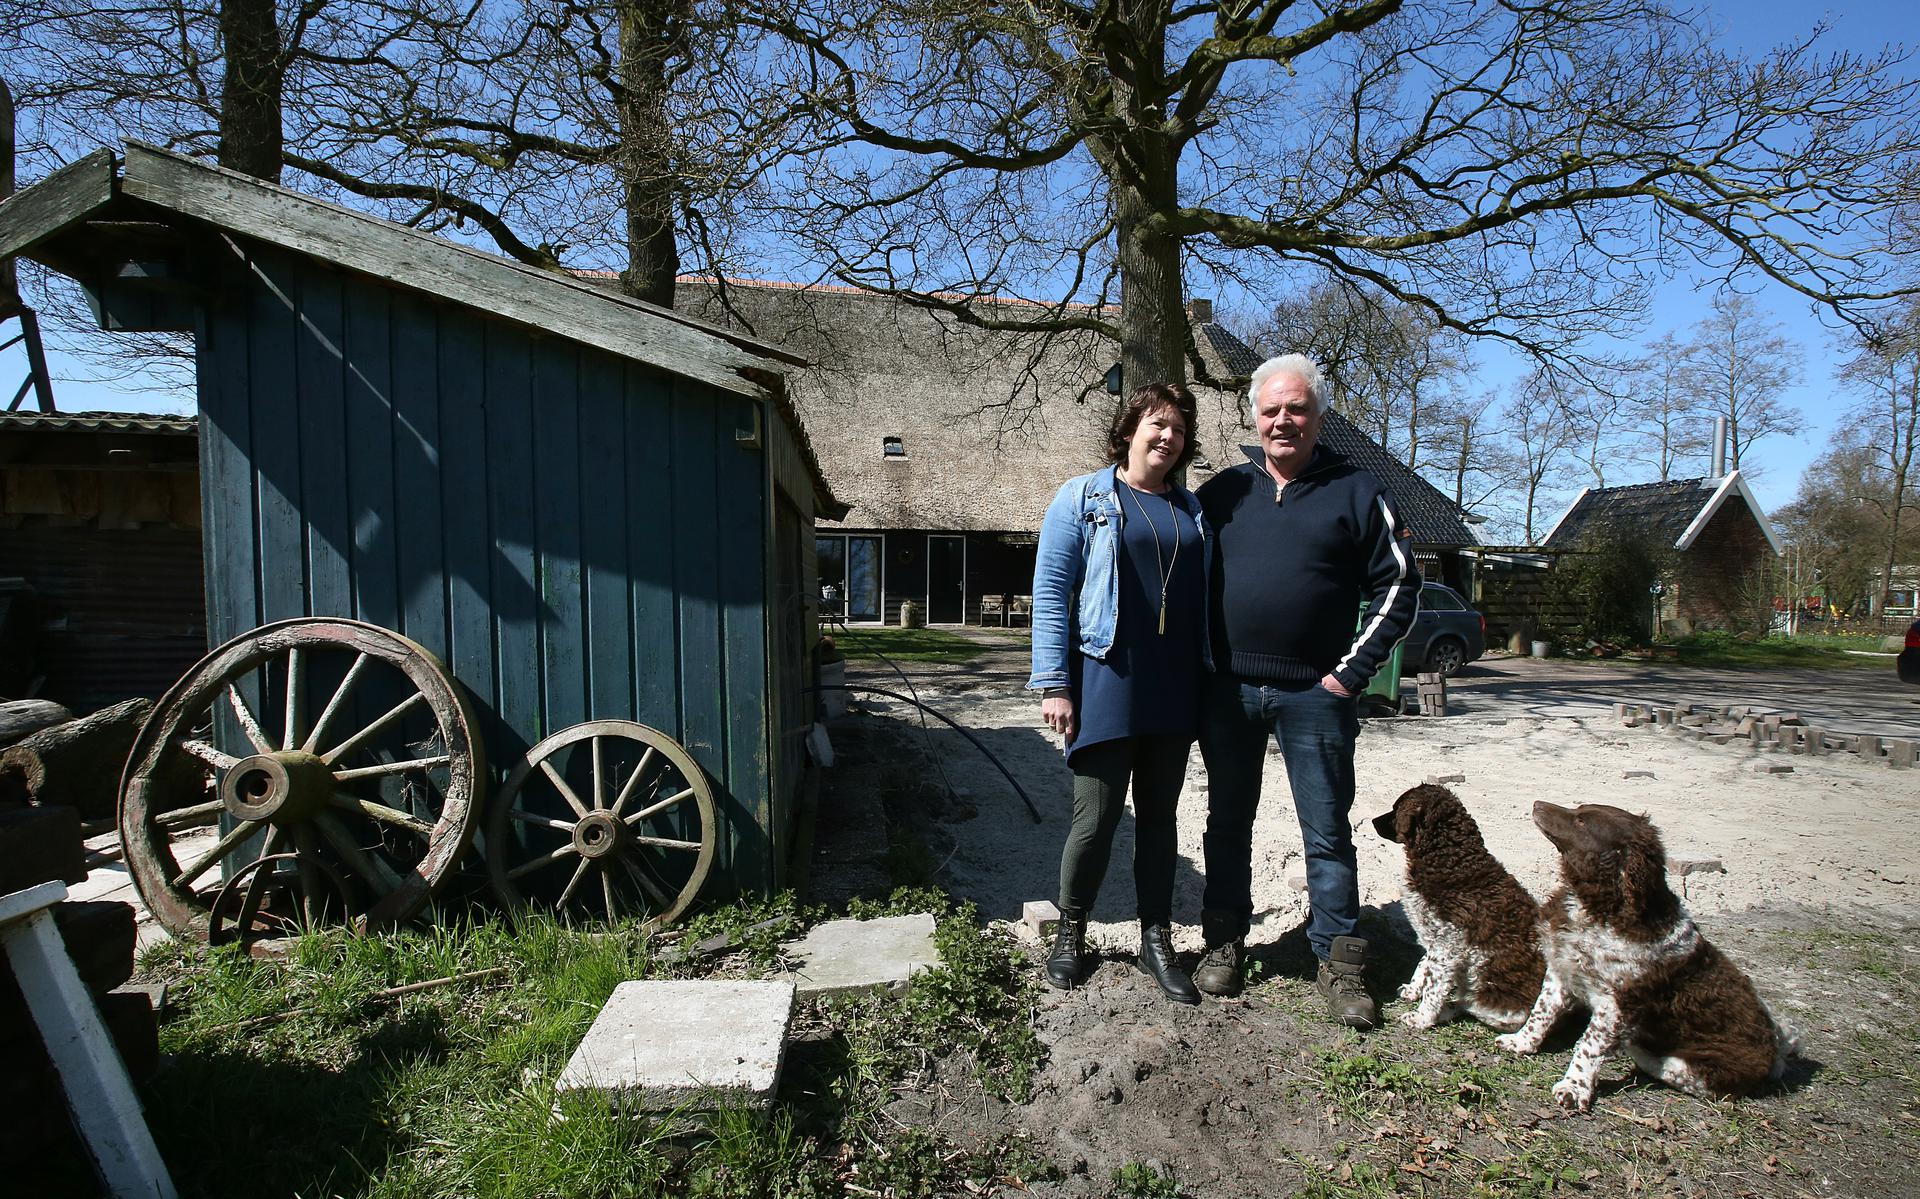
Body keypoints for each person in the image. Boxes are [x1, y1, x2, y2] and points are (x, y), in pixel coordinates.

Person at [1191, 354, 1419, 1026]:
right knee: (1226, 824)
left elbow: (1400, 582)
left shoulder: (1358, 490)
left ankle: (1341, 964)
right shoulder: (1223, 493)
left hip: (1316, 696)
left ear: (1319, 416)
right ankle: (1224, 940)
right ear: (1253, 417)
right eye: (1271, 410)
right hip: (1229, 693)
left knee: (1326, 832)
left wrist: (1350, 672)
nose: (1283, 420)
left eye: (1297, 409)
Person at [1027, 382, 1213, 1004]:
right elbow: (1052, 594)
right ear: (1129, 429)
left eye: (1179, 430)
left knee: (1161, 819)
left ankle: (1155, 939)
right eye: (1156, 424)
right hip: (1106, 677)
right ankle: (1071, 934)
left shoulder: (1193, 511)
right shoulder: (1083, 498)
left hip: (1173, 684)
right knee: (1097, 817)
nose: (1168, 437)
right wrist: (1056, 682)